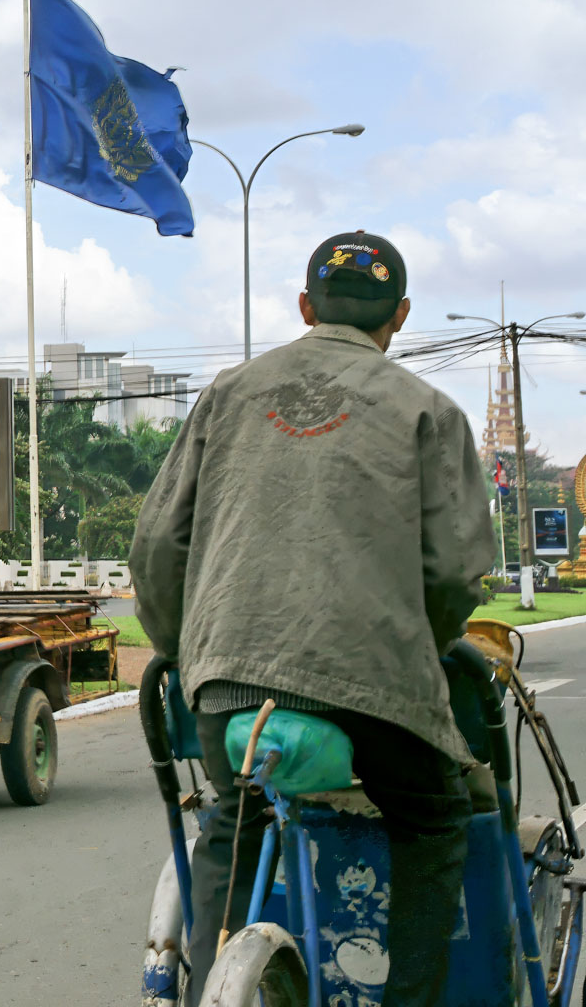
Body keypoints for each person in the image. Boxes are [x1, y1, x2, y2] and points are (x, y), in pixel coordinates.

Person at [131, 231, 492, 1005]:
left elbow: (159, 546)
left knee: (234, 821)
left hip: (229, 684)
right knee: (435, 821)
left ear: (305, 306)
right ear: (400, 316)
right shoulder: (428, 409)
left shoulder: (227, 394)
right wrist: (418, 647)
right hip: (378, 685)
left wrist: (184, 652)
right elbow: (454, 574)